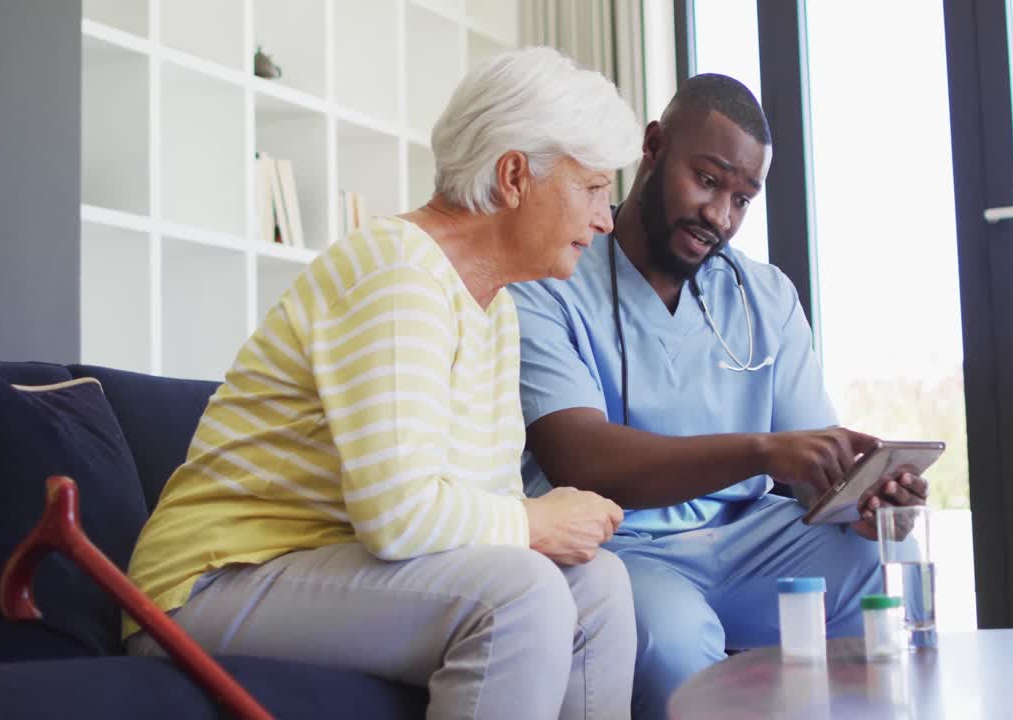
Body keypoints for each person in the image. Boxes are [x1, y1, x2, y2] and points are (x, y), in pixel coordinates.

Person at [124, 47, 643, 720]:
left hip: (328, 566)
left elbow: (476, 503)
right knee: (519, 593)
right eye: (594, 188)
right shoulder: (397, 272)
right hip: (209, 584)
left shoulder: (496, 307)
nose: (606, 218)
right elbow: (399, 514)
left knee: (596, 584)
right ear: (515, 175)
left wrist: (535, 527)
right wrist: (536, 520)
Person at [509, 73, 930, 719]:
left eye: (742, 199)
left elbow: (810, 469)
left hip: (750, 538)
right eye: (706, 181)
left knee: (883, 564)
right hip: (622, 546)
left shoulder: (764, 296)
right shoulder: (550, 278)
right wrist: (762, 452)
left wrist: (860, 498)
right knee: (670, 638)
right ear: (653, 147)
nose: (719, 216)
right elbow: (578, 458)